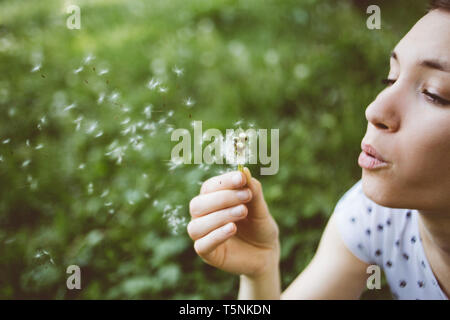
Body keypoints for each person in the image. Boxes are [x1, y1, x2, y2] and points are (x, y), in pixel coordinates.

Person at [187, 1, 450, 300]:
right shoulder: (375, 217)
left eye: (434, 94)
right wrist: (260, 269)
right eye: (390, 79)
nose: (374, 109)